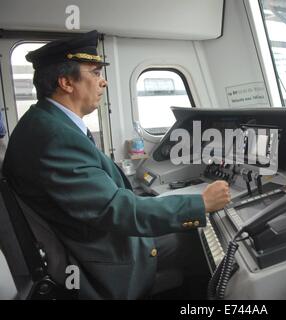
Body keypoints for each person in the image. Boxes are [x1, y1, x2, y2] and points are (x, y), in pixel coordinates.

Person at [2, 30, 230, 299]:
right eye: (95, 73)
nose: (104, 82)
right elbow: (115, 210)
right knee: (207, 242)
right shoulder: (53, 137)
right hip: (100, 262)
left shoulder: (45, 122)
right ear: (66, 82)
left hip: (89, 241)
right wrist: (200, 203)